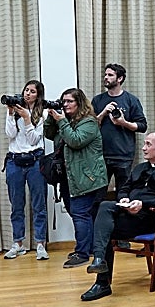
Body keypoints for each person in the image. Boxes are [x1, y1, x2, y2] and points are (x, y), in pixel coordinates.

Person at [81, 131, 155, 301]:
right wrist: (124, 199)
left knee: (103, 228)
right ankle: (100, 268)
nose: (143, 148)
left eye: (148, 144)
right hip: (127, 213)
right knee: (104, 207)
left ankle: (102, 279)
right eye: (144, 143)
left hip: (149, 218)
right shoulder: (140, 168)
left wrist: (143, 204)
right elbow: (124, 188)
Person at [45, 88, 106, 268]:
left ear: (79, 103)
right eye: (63, 101)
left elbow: (75, 140)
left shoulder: (89, 122)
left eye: (69, 101)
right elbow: (49, 134)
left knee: (81, 214)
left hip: (88, 178)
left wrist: (62, 121)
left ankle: (82, 253)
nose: (65, 105)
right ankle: (91, 248)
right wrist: (52, 117)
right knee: (79, 214)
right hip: (70, 177)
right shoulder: (68, 122)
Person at [3, 80, 49, 261]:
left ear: (38, 95)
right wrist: (10, 113)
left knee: (39, 204)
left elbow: (33, 139)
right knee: (16, 205)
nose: (27, 94)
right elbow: (10, 134)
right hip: (14, 161)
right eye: (26, 90)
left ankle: (40, 244)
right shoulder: (15, 111)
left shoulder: (43, 113)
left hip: (35, 161)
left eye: (32, 91)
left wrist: (27, 119)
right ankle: (18, 244)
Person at [91, 63, 148, 199]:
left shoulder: (131, 100)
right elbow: (90, 127)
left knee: (122, 194)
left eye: (110, 75)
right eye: (105, 74)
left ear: (120, 78)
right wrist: (103, 113)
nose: (106, 77)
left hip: (123, 155)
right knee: (97, 196)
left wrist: (123, 123)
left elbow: (142, 126)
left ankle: (120, 220)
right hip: (101, 155)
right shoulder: (98, 100)